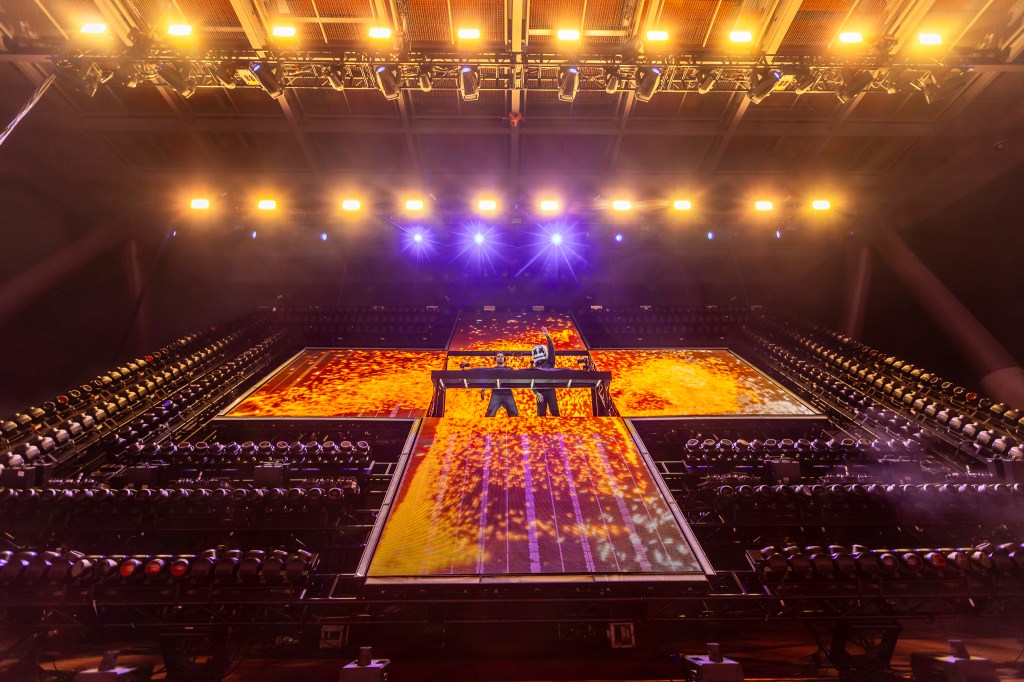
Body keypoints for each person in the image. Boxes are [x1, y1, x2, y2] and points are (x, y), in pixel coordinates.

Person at [531, 326, 559, 416]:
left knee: (554, 411)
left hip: (550, 390)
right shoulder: (534, 368)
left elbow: (551, 351)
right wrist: (536, 392)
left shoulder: (550, 362)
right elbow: (531, 382)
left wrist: (547, 336)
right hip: (540, 392)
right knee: (541, 413)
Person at [481, 352, 519, 417]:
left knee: (514, 415)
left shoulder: (509, 369)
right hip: (496, 393)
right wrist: (483, 389)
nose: (500, 358)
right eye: (498, 356)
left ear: (504, 358)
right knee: (489, 415)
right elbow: (487, 380)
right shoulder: (492, 370)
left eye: (502, 356)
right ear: (495, 359)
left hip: (507, 393)